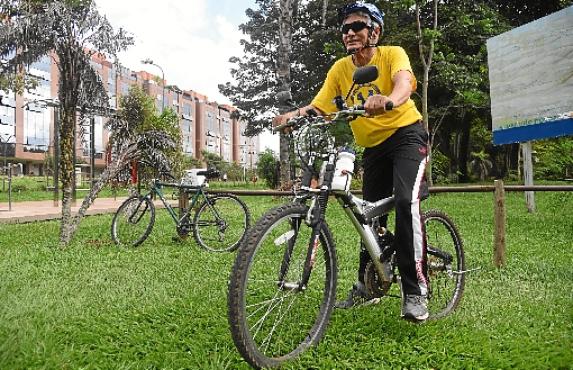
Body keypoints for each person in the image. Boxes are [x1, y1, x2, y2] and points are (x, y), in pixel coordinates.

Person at [272, 1, 430, 322]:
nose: (350, 33)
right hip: (372, 149)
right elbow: (321, 107)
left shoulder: (392, 54)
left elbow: (404, 84)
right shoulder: (341, 69)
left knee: (404, 202)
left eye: (357, 26)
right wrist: (293, 116)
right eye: (345, 28)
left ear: (375, 30)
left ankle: (415, 291)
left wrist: (388, 99)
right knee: (367, 217)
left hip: (406, 138)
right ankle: (367, 286)